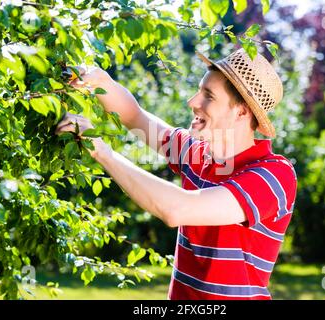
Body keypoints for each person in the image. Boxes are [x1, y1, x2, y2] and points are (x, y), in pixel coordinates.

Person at [55, 48, 297, 300]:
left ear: (241, 112)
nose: (192, 102)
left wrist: (101, 151)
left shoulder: (273, 175)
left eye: (208, 96)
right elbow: (135, 117)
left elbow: (177, 209)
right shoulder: (197, 153)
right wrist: (100, 81)